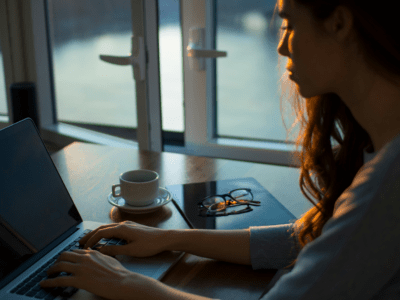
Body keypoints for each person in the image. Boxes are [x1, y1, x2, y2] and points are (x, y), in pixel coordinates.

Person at [40, 0, 400, 298]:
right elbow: (309, 239)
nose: (281, 45)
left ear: (338, 23)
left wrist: (125, 283)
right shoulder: (379, 148)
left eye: (289, 23)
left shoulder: (388, 181)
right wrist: (168, 239)